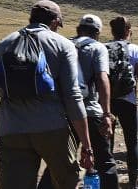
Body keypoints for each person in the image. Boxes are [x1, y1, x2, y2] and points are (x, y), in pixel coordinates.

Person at [0, 0, 93, 189]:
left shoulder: (4, 44)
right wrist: (87, 145)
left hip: (11, 130)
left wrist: (0, 130)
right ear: (55, 22)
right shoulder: (63, 45)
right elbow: (73, 97)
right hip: (53, 128)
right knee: (66, 182)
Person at [41, 15, 118, 189]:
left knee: (59, 162)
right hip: (90, 111)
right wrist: (107, 113)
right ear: (97, 32)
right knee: (104, 161)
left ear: (78, 28)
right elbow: (102, 79)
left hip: (64, 114)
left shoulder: (63, 44)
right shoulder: (98, 48)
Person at [107, 16, 138, 187]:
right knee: (131, 142)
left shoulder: (104, 48)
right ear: (129, 32)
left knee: (107, 143)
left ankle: (108, 181)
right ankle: (132, 182)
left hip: (107, 102)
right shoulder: (136, 50)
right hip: (128, 101)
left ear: (112, 32)